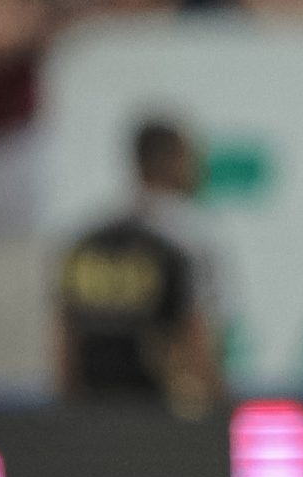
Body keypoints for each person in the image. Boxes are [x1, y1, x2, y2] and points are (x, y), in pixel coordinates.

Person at [54, 118, 226, 415]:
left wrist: (69, 415)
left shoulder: (88, 241)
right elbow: (196, 332)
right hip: (164, 413)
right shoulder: (191, 236)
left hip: (96, 413)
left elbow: (67, 342)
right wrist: (217, 407)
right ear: (173, 160)